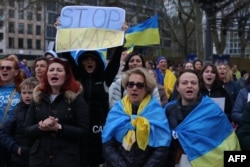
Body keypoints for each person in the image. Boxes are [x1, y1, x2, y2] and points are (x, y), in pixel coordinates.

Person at [165, 69, 240, 167]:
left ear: (198, 87)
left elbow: (227, 140)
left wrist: (239, 161)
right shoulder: (168, 110)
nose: (189, 85)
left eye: (193, 83)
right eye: (184, 83)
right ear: (178, 87)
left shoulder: (212, 110)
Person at [24, 58, 89, 167]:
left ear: (66, 75)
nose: (54, 72)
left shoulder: (76, 99)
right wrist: (41, 127)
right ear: (47, 75)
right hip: (39, 159)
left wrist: (59, 127)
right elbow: (27, 130)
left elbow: (84, 132)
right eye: (51, 70)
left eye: (59, 70)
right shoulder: (37, 97)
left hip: (66, 159)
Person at [102, 67, 171, 167]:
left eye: (139, 85)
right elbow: (107, 143)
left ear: (147, 88)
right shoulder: (117, 110)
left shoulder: (156, 111)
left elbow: (162, 147)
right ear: (126, 87)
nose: (134, 88)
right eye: (131, 84)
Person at [0, 77, 38, 167]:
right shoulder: (18, 109)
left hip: (38, 157)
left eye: (30, 93)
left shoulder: (43, 109)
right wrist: (16, 148)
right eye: (24, 93)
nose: (27, 96)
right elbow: (4, 133)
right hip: (19, 158)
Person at [0, 56, 23, 167]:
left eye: (8, 68)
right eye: (2, 68)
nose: (4, 70)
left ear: (16, 72)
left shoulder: (22, 90)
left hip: (13, 138)